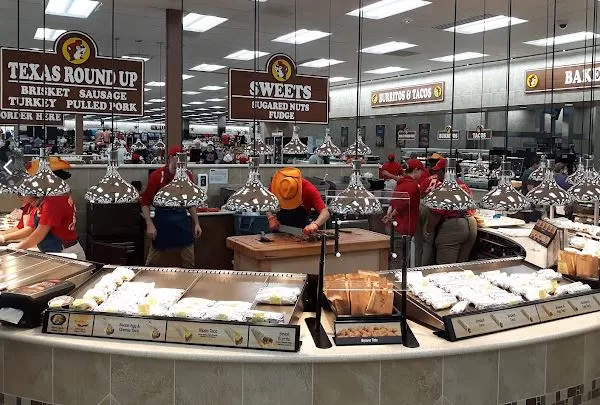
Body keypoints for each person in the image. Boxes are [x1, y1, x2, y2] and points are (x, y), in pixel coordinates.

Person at [141, 146, 202, 268]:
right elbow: (145, 202)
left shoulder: (188, 177)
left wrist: (196, 223)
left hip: (182, 221)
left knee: (189, 262)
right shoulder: (157, 176)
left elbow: (190, 202)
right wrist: (149, 224)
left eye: (184, 158)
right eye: (178, 157)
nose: (181, 161)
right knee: (152, 263)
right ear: (170, 158)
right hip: (162, 221)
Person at [425, 159, 477, 265]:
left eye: (438, 171)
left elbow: (436, 213)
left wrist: (427, 232)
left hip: (453, 227)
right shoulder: (463, 185)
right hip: (471, 223)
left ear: (446, 171)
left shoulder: (444, 189)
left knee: (445, 266)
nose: (436, 174)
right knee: (460, 265)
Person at [382, 159, 424, 268]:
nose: (422, 174)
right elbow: (403, 202)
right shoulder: (412, 185)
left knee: (394, 258)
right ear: (415, 170)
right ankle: (397, 283)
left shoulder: (400, 183)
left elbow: (393, 201)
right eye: (421, 171)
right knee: (400, 261)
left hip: (395, 227)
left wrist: (389, 214)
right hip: (404, 228)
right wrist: (391, 215)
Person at [267, 167, 330, 234]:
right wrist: (270, 218)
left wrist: (315, 224)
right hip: (279, 228)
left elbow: (325, 213)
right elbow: (266, 204)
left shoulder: (309, 189)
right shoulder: (278, 186)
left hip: (302, 232)